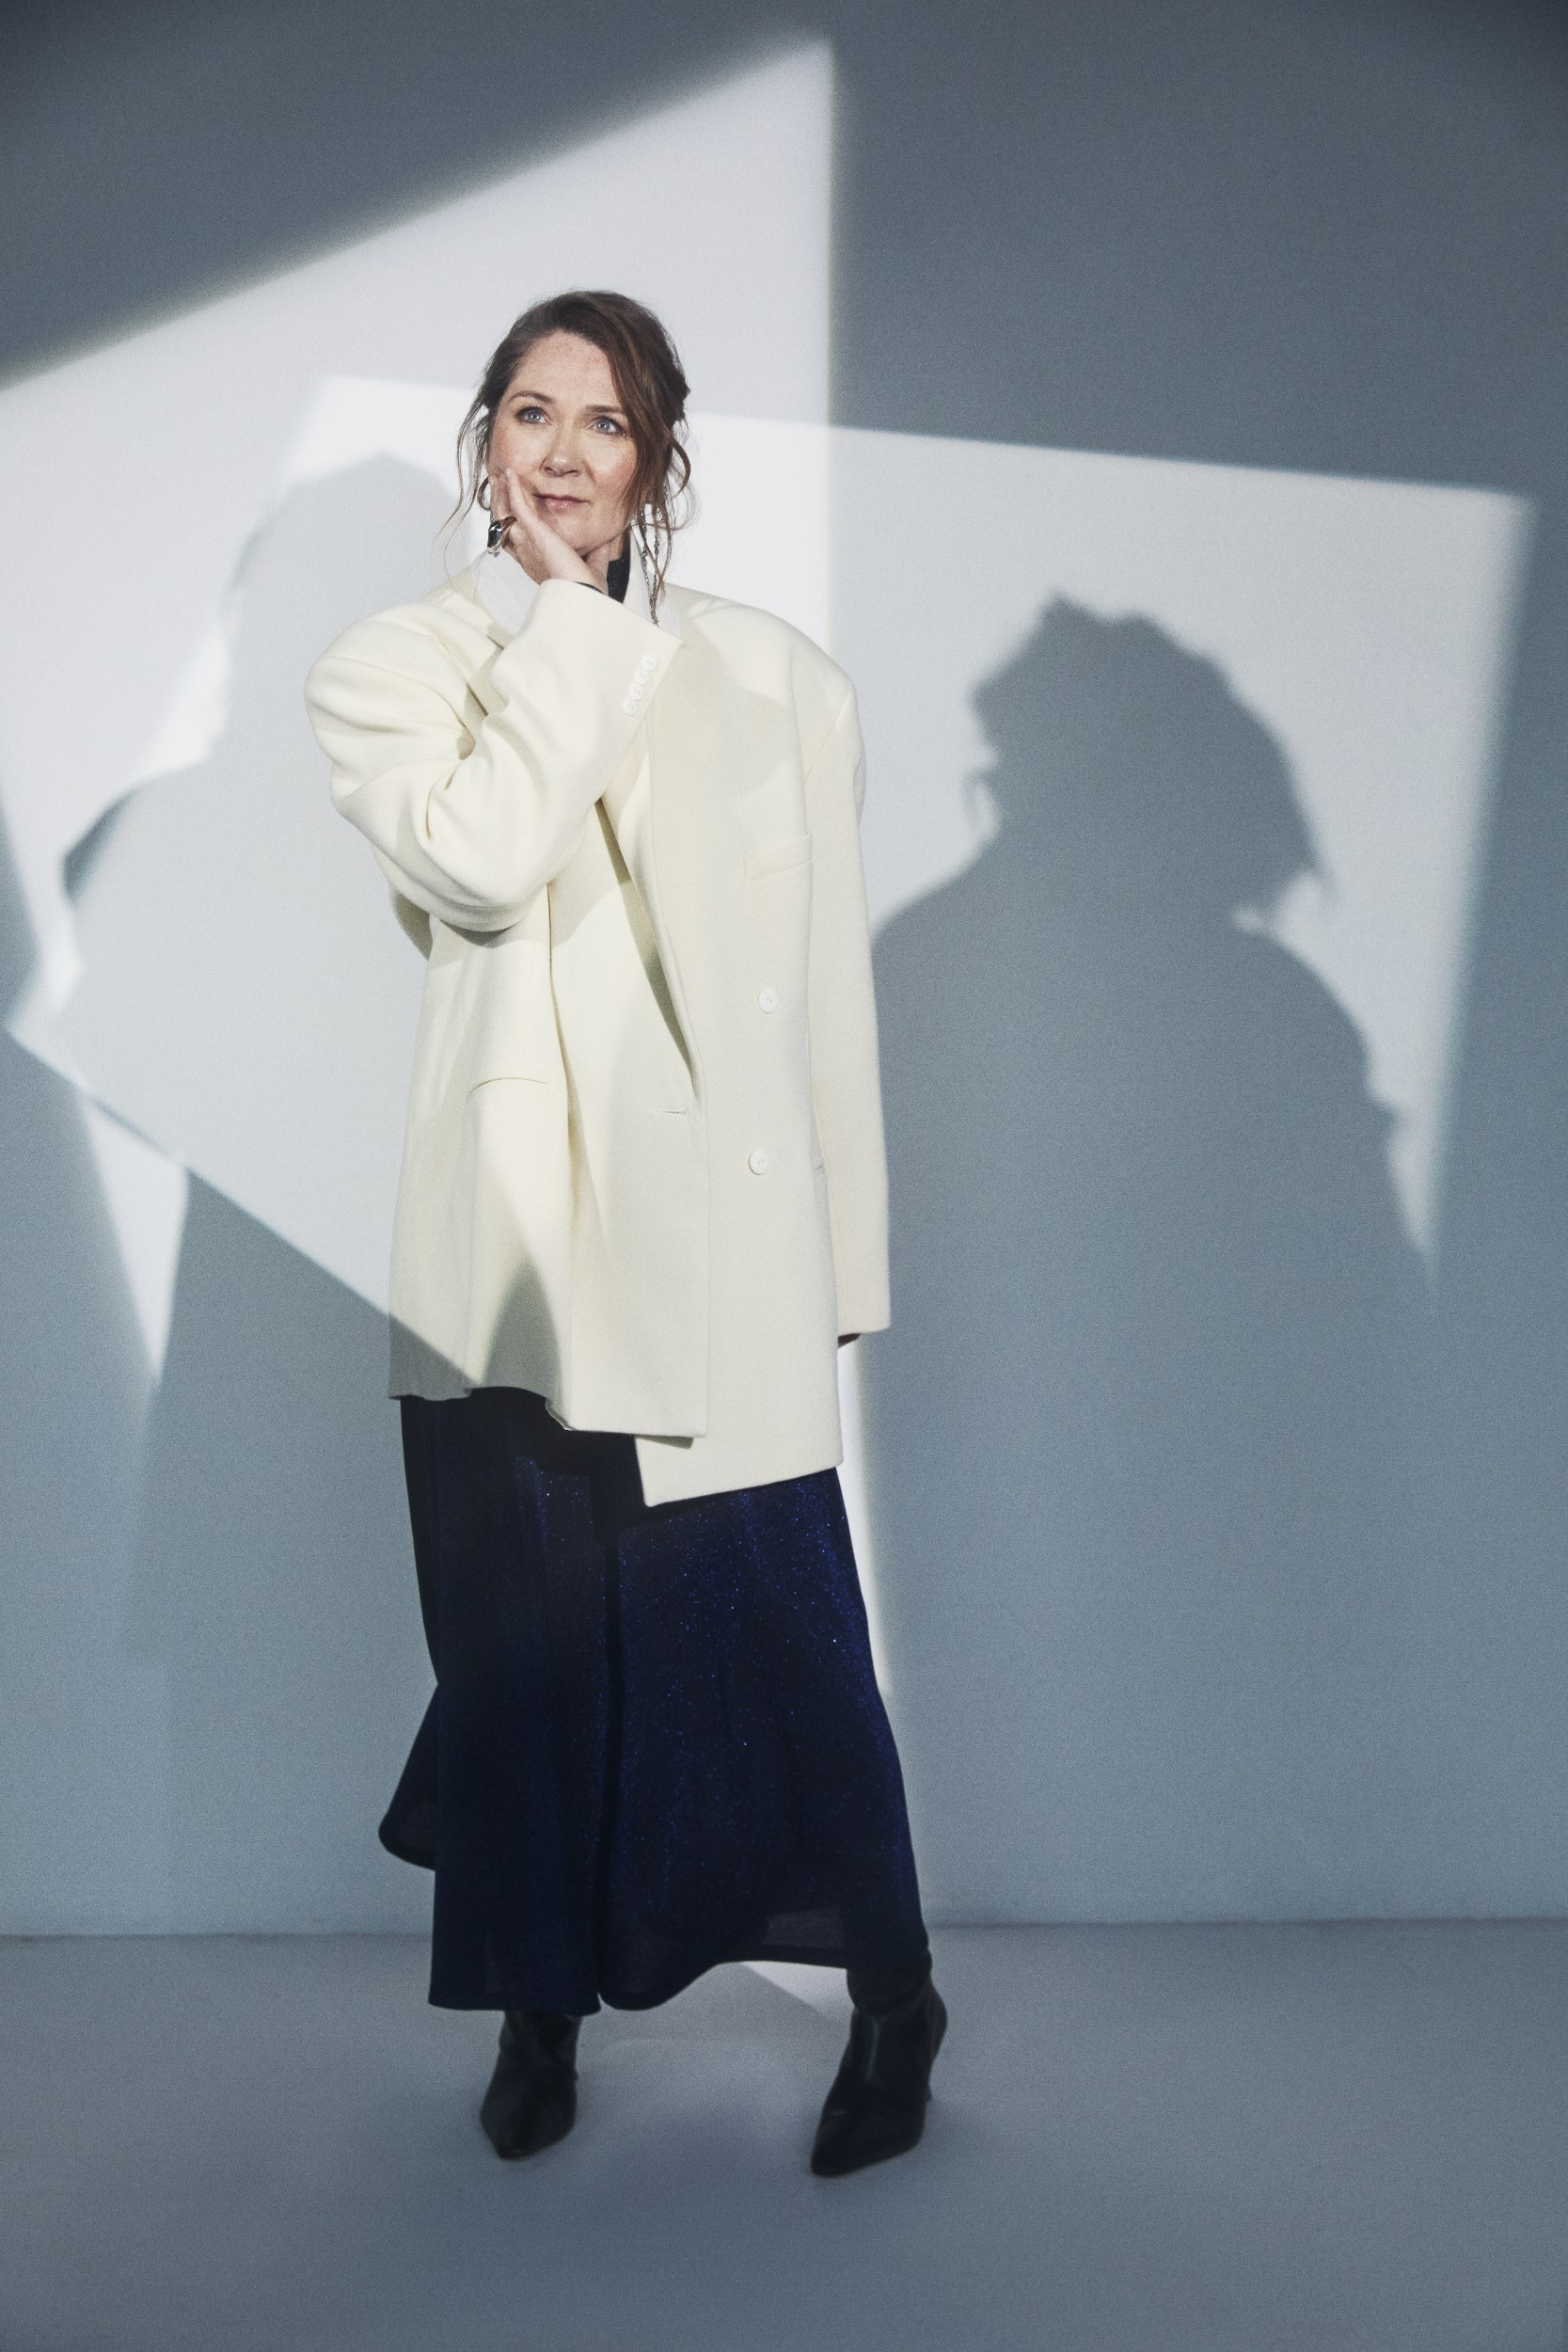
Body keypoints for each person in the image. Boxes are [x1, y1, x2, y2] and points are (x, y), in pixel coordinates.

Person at [305, 291, 943, 2176]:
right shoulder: (396, 664)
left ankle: (894, 1992)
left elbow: (824, 989)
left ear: (657, 455)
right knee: (522, 1663)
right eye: (528, 410)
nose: (564, 448)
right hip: (512, 1260)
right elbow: (489, 858)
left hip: (723, 1256)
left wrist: (841, 1267)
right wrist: (573, 627)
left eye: (605, 418)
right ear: (484, 446)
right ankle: (535, 2005)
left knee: (785, 1656)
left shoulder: (776, 676)